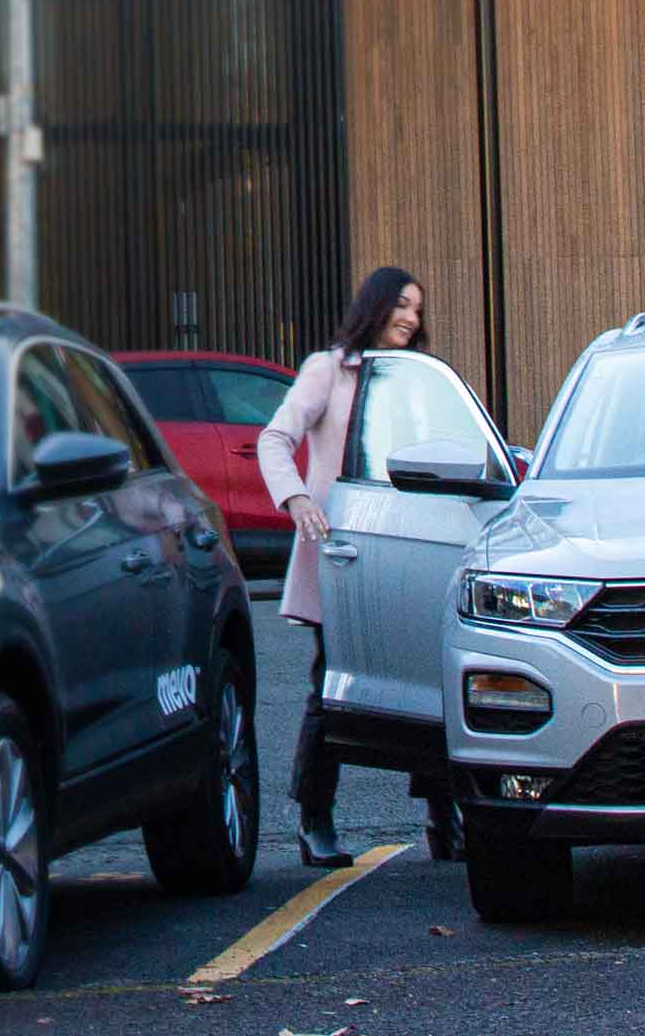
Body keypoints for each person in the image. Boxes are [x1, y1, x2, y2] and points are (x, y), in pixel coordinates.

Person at [257, 265, 461, 869]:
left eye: (418, 310)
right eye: (401, 305)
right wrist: (296, 499)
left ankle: (441, 816)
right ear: (375, 305)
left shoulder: (414, 377)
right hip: (346, 552)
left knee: (433, 684)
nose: (410, 318)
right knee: (331, 686)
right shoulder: (329, 369)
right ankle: (314, 818)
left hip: (413, 549)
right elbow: (275, 437)